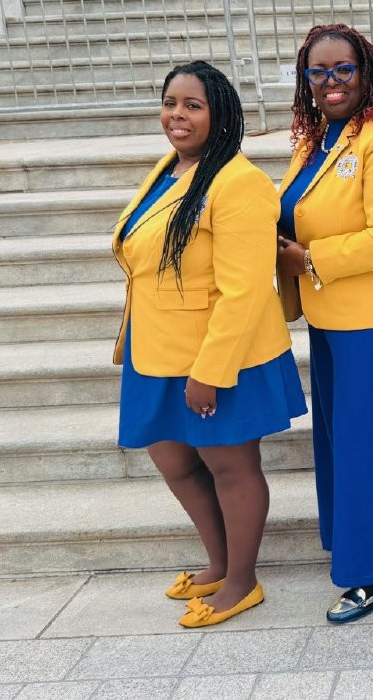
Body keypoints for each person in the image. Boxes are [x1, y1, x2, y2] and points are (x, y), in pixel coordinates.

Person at [112, 60, 307, 628]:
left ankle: (242, 581)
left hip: (219, 353)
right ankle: (220, 563)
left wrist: (211, 371)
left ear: (219, 115)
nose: (178, 114)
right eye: (171, 102)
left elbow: (245, 290)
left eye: (193, 105)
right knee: (174, 461)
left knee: (229, 466)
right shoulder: (171, 168)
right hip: (157, 349)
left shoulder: (238, 182)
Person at [274, 24, 373, 624]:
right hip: (329, 312)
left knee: (365, 440)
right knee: (340, 438)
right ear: (305, 80)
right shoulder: (316, 139)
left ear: (366, 72)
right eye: (319, 71)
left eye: (343, 69)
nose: (331, 81)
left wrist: (308, 258)